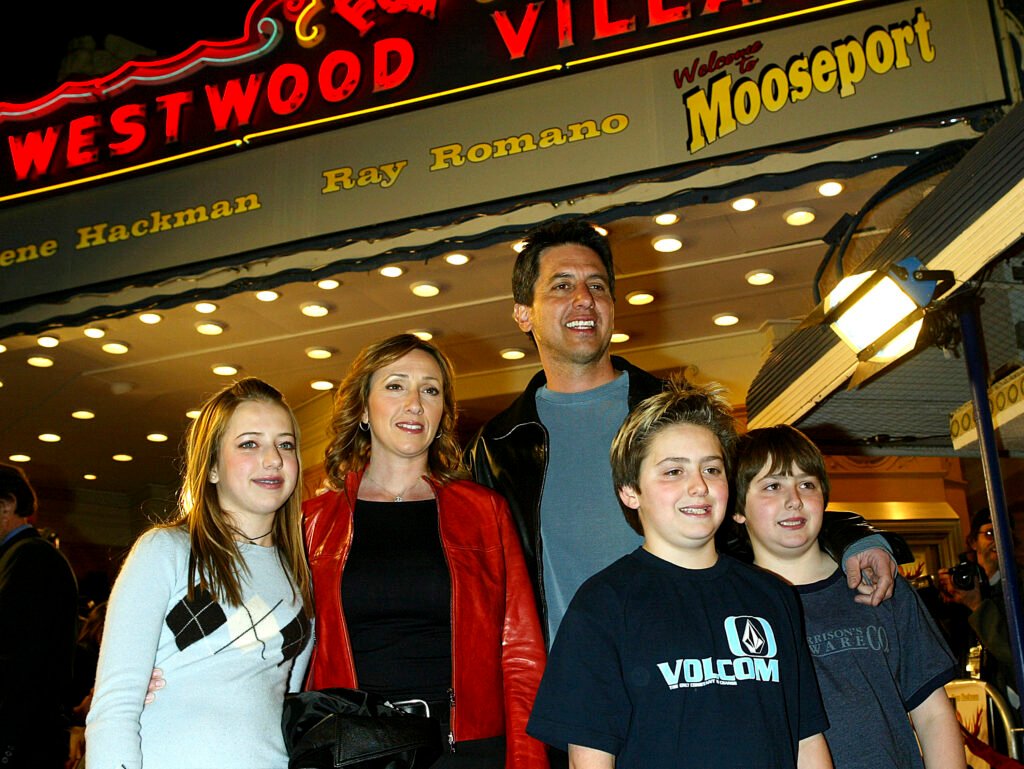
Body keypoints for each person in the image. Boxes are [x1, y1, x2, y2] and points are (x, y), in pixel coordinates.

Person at [467, 217, 906, 647]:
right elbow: (483, 583)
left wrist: (851, 535)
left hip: (697, 662)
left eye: (597, 286)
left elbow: (759, 504)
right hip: (573, 690)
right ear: (524, 314)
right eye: (561, 285)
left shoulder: (682, 414)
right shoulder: (497, 447)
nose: (584, 298)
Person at [527, 377, 833, 769]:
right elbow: (588, 760)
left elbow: (806, 740)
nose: (699, 487)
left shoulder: (773, 596)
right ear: (629, 491)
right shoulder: (602, 605)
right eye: (674, 471)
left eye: (712, 469)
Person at [302, 333, 548, 769]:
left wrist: (528, 761)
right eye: (396, 385)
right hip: (356, 750)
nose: (414, 402)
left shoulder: (484, 511)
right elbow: (277, 645)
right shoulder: (313, 521)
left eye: (430, 390)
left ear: (442, 413)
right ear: (362, 406)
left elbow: (522, 654)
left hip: (467, 752)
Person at [85, 378, 313, 769]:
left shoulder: (299, 577)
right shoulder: (166, 551)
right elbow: (115, 705)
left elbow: (280, 706)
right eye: (249, 444)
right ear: (210, 468)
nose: (273, 458)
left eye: (285, 444)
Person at [732, 424, 964, 769]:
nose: (794, 499)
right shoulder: (731, 606)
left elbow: (933, 713)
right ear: (737, 510)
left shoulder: (878, 582)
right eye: (772, 486)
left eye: (806, 484)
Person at [0, 463, 79, 769]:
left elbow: (19, 659)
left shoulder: (30, 557)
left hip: (22, 734)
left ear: (6, 505)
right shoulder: (25, 556)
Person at [939, 507, 1023, 716]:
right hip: (971, 710)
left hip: (1010, 713)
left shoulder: (1017, 586)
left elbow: (1013, 653)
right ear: (973, 542)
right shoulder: (960, 589)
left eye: (1003, 533)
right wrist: (943, 605)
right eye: (989, 533)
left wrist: (977, 606)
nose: (997, 540)